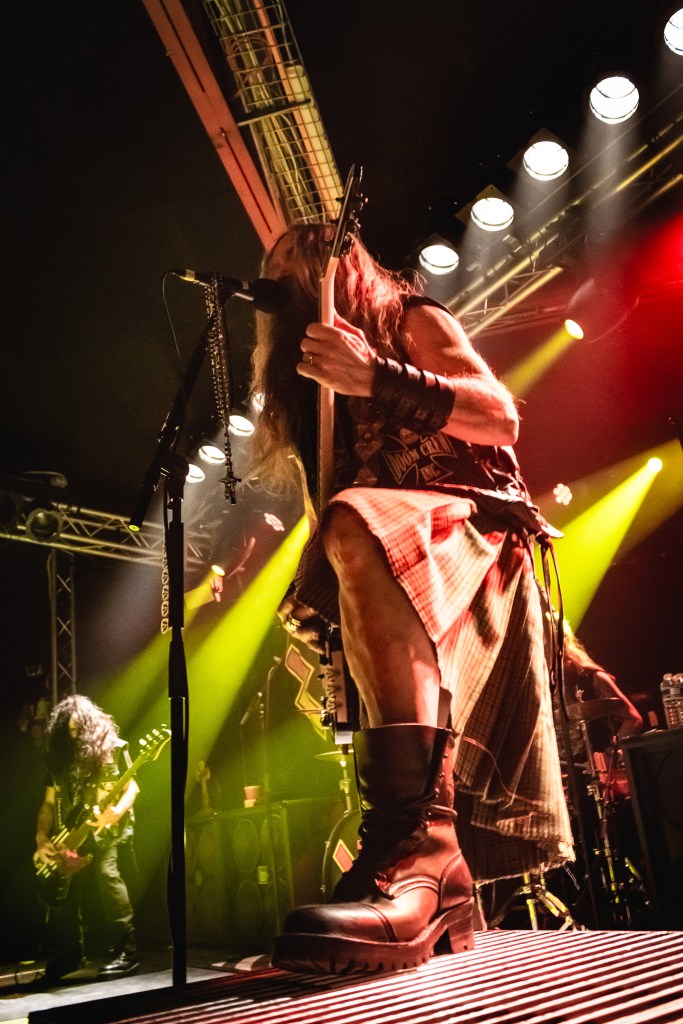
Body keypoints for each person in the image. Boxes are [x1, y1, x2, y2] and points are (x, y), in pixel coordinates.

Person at [249, 222, 573, 974]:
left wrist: (378, 379)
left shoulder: (412, 322)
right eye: (269, 265)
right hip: (384, 544)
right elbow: (331, 506)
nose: (277, 271)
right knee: (340, 534)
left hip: (469, 525)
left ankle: (422, 853)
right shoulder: (303, 392)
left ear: (344, 264)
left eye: (295, 254)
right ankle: (416, 865)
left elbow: (499, 417)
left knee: (355, 518)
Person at [33, 694, 139, 984]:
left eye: (78, 728)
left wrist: (114, 813)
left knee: (107, 878)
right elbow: (47, 803)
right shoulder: (59, 758)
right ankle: (71, 954)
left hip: (106, 829)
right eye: (67, 730)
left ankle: (127, 953)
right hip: (74, 832)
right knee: (64, 891)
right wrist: (42, 837)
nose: (74, 734)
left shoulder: (111, 748)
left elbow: (132, 787)